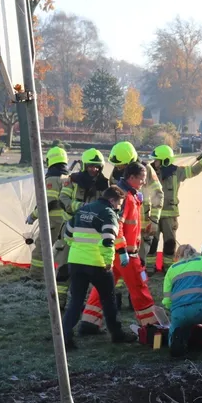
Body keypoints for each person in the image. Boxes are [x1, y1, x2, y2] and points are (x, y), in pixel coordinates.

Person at [78, 162, 161, 333]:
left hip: (116, 252)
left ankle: (89, 322)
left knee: (104, 287)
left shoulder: (128, 195)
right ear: (131, 178)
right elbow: (117, 226)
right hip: (126, 254)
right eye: (141, 179)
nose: (143, 183)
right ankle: (151, 325)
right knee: (139, 286)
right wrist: (123, 249)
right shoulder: (125, 197)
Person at [61, 186, 136, 349]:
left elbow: (67, 235)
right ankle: (117, 335)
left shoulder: (83, 210)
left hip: (76, 262)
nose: (119, 208)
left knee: (76, 301)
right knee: (109, 300)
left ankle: (65, 336)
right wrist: (109, 261)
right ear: (112, 200)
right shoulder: (108, 213)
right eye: (119, 204)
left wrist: (78, 248)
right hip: (97, 263)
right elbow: (108, 240)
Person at [147, 145, 202, 273]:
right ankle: (149, 267)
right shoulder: (149, 171)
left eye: (157, 160)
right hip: (153, 215)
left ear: (165, 161)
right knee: (151, 242)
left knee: (170, 243)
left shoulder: (177, 172)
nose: (154, 162)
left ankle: (168, 268)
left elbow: (194, 170)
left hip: (170, 216)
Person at [59, 148, 109, 305]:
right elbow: (63, 200)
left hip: (92, 235)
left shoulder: (105, 184)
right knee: (63, 268)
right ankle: (59, 302)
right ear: (84, 165)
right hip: (71, 232)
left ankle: (83, 303)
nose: (93, 170)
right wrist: (83, 207)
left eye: (96, 167)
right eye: (90, 166)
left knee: (89, 270)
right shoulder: (72, 180)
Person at [107, 141, 164, 273]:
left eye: (121, 164)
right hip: (122, 223)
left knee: (139, 260)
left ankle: (135, 288)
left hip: (142, 222)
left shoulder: (146, 169)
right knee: (120, 259)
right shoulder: (116, 171)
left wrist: (154, 220)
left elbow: (158, 194)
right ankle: (120, 289)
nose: (118, 167)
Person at [27, 146, 70, 281]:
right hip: (65, 222)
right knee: (63, 251)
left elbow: (48, 203)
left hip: (52, 221)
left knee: (41, 250)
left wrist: (33, 216)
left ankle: (35, 277)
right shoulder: (67, 178)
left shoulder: (52, 180)